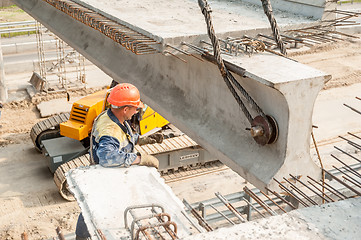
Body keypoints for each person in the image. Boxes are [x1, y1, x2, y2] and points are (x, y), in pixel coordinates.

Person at [75, 83, 159, 240]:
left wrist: (141, 140)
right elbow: (108, 158)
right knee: (94, 208)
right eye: (135, 108)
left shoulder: (112, 116)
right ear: (125, 109)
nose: (137, 111)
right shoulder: (110, 130)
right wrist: (140, 159)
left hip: (112, 175)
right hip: (105, 177)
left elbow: (123, 137)